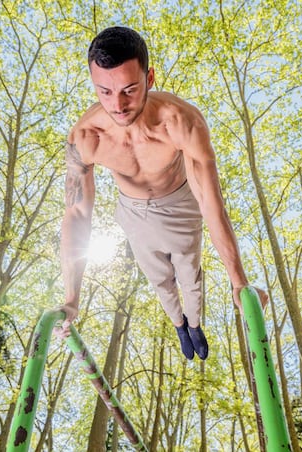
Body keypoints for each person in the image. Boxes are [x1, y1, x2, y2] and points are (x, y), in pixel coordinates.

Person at [55, 26, 268, 360]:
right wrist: (71, 299)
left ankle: (195, 324)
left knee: (189, 277)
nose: (118, 104)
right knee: (160, 281)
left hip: (180, 201)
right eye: (105, 92)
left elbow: (211, 203)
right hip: (133, 210)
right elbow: (78, 214)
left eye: (129, 90)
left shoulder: (181, 122)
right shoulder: (86, 136)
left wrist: (238, 281)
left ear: (150, 78)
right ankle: (179, 324)